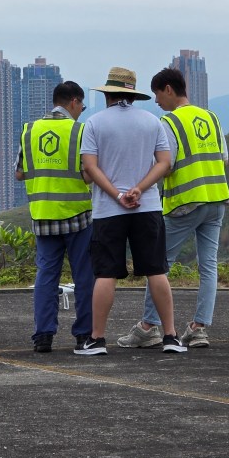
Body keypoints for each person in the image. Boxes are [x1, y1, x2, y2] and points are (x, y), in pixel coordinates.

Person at [74, 66, 186, 356]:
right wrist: (139, 189)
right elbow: (164, 163)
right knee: (156, 270)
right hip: (147, 206)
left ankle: (97, 340)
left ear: (108, 94)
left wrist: (118, 194)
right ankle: (171, 336)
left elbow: (90, 167)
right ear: (133, 95)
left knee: (105, 274)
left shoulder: (94, 123)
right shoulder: (152, 121)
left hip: (108, 210)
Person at [117, 67, 229, 350]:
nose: (156, 101)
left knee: (158, 264)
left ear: (168, 89)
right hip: (217, 199)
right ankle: (199, 329)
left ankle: (148, 327)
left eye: (157, 94)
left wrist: (141, 184)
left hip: (185, 202)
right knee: (209, 266)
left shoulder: (170, 122)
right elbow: (223, 158)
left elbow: (166, 164)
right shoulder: (211, 117)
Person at [16, 81, 94, 352]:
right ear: (73, 102)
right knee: (84, 276)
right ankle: (84, 335)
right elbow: (87, 174)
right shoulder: (79, 131)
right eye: (82, 105)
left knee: (46, 276)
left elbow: (19, 173)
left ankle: (43, 336)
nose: (82, 110)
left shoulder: (30, 130)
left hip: (43, 215)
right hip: (77, 216)